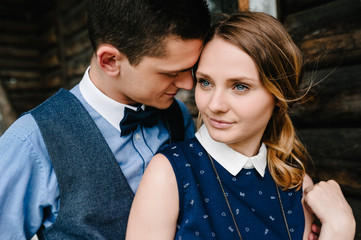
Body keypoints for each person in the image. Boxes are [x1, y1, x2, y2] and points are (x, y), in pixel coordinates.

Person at [126, 11, 356, 240]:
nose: (215, 105)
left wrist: (339, 226)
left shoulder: (296, 184)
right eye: (205, 82)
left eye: (239, 87)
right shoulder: (169, 173)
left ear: (278, 95)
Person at [0, 0, 210, 239]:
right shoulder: (29, 143)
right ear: (110, 61)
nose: (188, 84)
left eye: (190, 69)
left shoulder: (177, 115)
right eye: (171, 73)